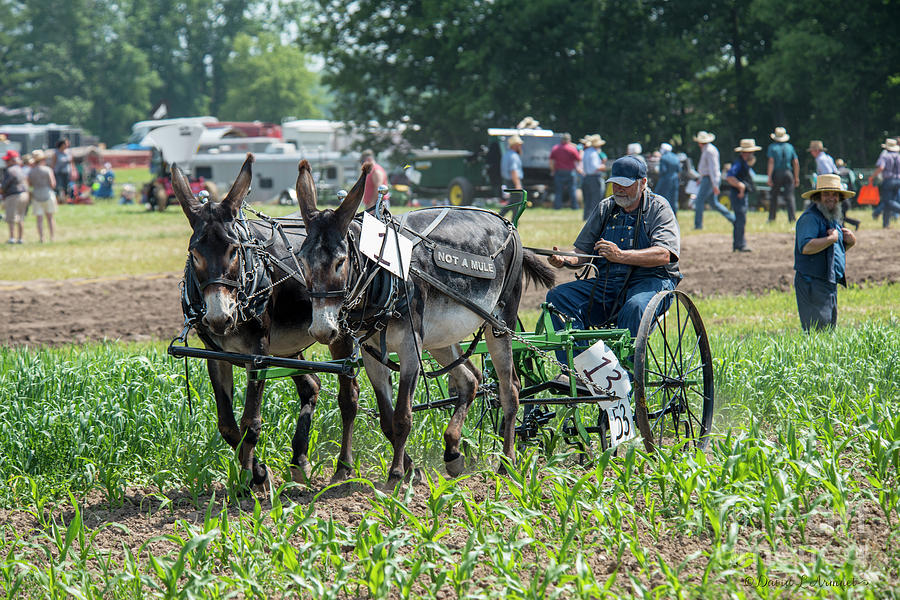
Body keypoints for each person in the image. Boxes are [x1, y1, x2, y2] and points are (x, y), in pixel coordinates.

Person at [545, 155, 681, 361]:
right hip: (608, 284)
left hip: (650, 281)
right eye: (614, 183)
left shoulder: (659, 208)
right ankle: (582, 370)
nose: (618, 189)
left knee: (634, 307)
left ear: (643, 183)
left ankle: (625, 376)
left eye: (624, 184)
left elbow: (665, 254)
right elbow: (582, 252)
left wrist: (620, 255)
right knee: (558, 297)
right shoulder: (605, 208)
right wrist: (564, 260)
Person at [793, 174, 856, 331]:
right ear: (818, 197)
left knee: (828, 330)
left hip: (828, 281)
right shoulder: (810, 218)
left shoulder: (832, 217)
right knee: (818, 332)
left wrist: (850, 242)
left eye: (834, 194)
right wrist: (830, 240)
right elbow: (806, 247)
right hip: (812, 283)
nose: (831, 198)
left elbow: (832, 250)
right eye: (826, 194)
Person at [724, 139, 761, 252]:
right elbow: (729, 177)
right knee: (740, 219)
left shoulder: (742, 163)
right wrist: (740, 186)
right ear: (746, 153)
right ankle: (740, 244)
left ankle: (739, 244)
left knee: (741, 219)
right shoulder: (739, 163)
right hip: (738, 196)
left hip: (739, 195)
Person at [693, 131, 735, 229]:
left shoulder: (709, 151)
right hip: (707, 178)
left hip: (709, 179)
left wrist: (715, 184)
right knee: (714, 203)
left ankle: (698, 225)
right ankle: (733, 219)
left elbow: (713, 168)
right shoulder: (707, 150)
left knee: (699, 201)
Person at [766, 126, 800, 223]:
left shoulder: (772, 147)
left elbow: (771, 162)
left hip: (777, 173)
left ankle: (771, 218)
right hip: (788, 173)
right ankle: (792, 218)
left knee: (774, 196)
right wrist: (796, 177)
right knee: (790, 197)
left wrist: (769, 177)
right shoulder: (790, 147)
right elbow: (796, 162)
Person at [26, 149, 57, 243]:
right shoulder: (48, 170)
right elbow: (53, 184)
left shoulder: (31, 172)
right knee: (50, 218)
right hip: (47, 194)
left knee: (39, 219)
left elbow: (29, 184)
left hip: (37, 195)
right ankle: (52, 237)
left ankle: (41, 238)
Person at [869, 138, 900, 228]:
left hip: (888, 181)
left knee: (887, 201)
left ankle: (877, 214)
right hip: (898, 180)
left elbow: (881, 167)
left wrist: (872, 176)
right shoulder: (898, 156)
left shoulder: (885, 155)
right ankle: (886, 224)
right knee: (890, 202)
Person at [2, 150, 29, 244]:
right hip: (24, 195)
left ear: (12, 160)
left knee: (11, 218)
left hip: (13, 195)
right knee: (20, 218)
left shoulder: (9, 170)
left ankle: (12, 238)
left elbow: (5, 185)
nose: (6, 162)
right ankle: (20, 239)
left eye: (7, 160)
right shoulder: (21, 169)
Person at [549, 133, 581, 210]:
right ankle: (574, 207)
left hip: (559, 171)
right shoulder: (572, 149)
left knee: (558, 191)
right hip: (570, 172)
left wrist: (552, 170)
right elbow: (578, 159)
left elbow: (551, 161)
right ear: (569, 140)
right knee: (572, 190)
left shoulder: (555, 148)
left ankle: (557, 207)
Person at [581, 135, 607, 220]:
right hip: (594, 177)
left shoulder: (586, 152)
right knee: (596, 199)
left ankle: (586, 216)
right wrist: (603, 167)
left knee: (588, 199)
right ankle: (594, 217)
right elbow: (595, 167)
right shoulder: (594, 153)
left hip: (587, 177)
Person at [655, 142, 681, 214]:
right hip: (675, 180)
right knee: (674, 200)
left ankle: (663, 214)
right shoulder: (676, 157)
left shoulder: (663, 158)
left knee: (662, 198)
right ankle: (674, 216)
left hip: (665, 180)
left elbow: (663, 171)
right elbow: (679, 170)